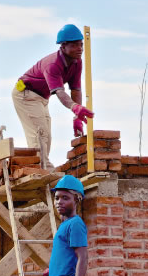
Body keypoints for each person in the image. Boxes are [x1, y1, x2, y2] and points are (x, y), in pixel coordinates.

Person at [12, 24, 94, 168]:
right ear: (63, 46)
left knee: (47, 137)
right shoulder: (53, 64)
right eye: (75, 45)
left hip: (41, 99)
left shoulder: (77, 62)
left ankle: (41, 167)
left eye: (81, 44)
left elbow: (75, 90)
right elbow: (60, 92)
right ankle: (43, 170)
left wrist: (77, 117)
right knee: (39, 135)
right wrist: (74, 107)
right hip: (25, 95)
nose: (80, 48)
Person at [48, 175, 88, 276]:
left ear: (76, 200)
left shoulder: (75, 224)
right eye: (57, 198)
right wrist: (52, 270)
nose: (59, 202)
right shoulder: (65, 225)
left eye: (65, 198)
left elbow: (82, 257)